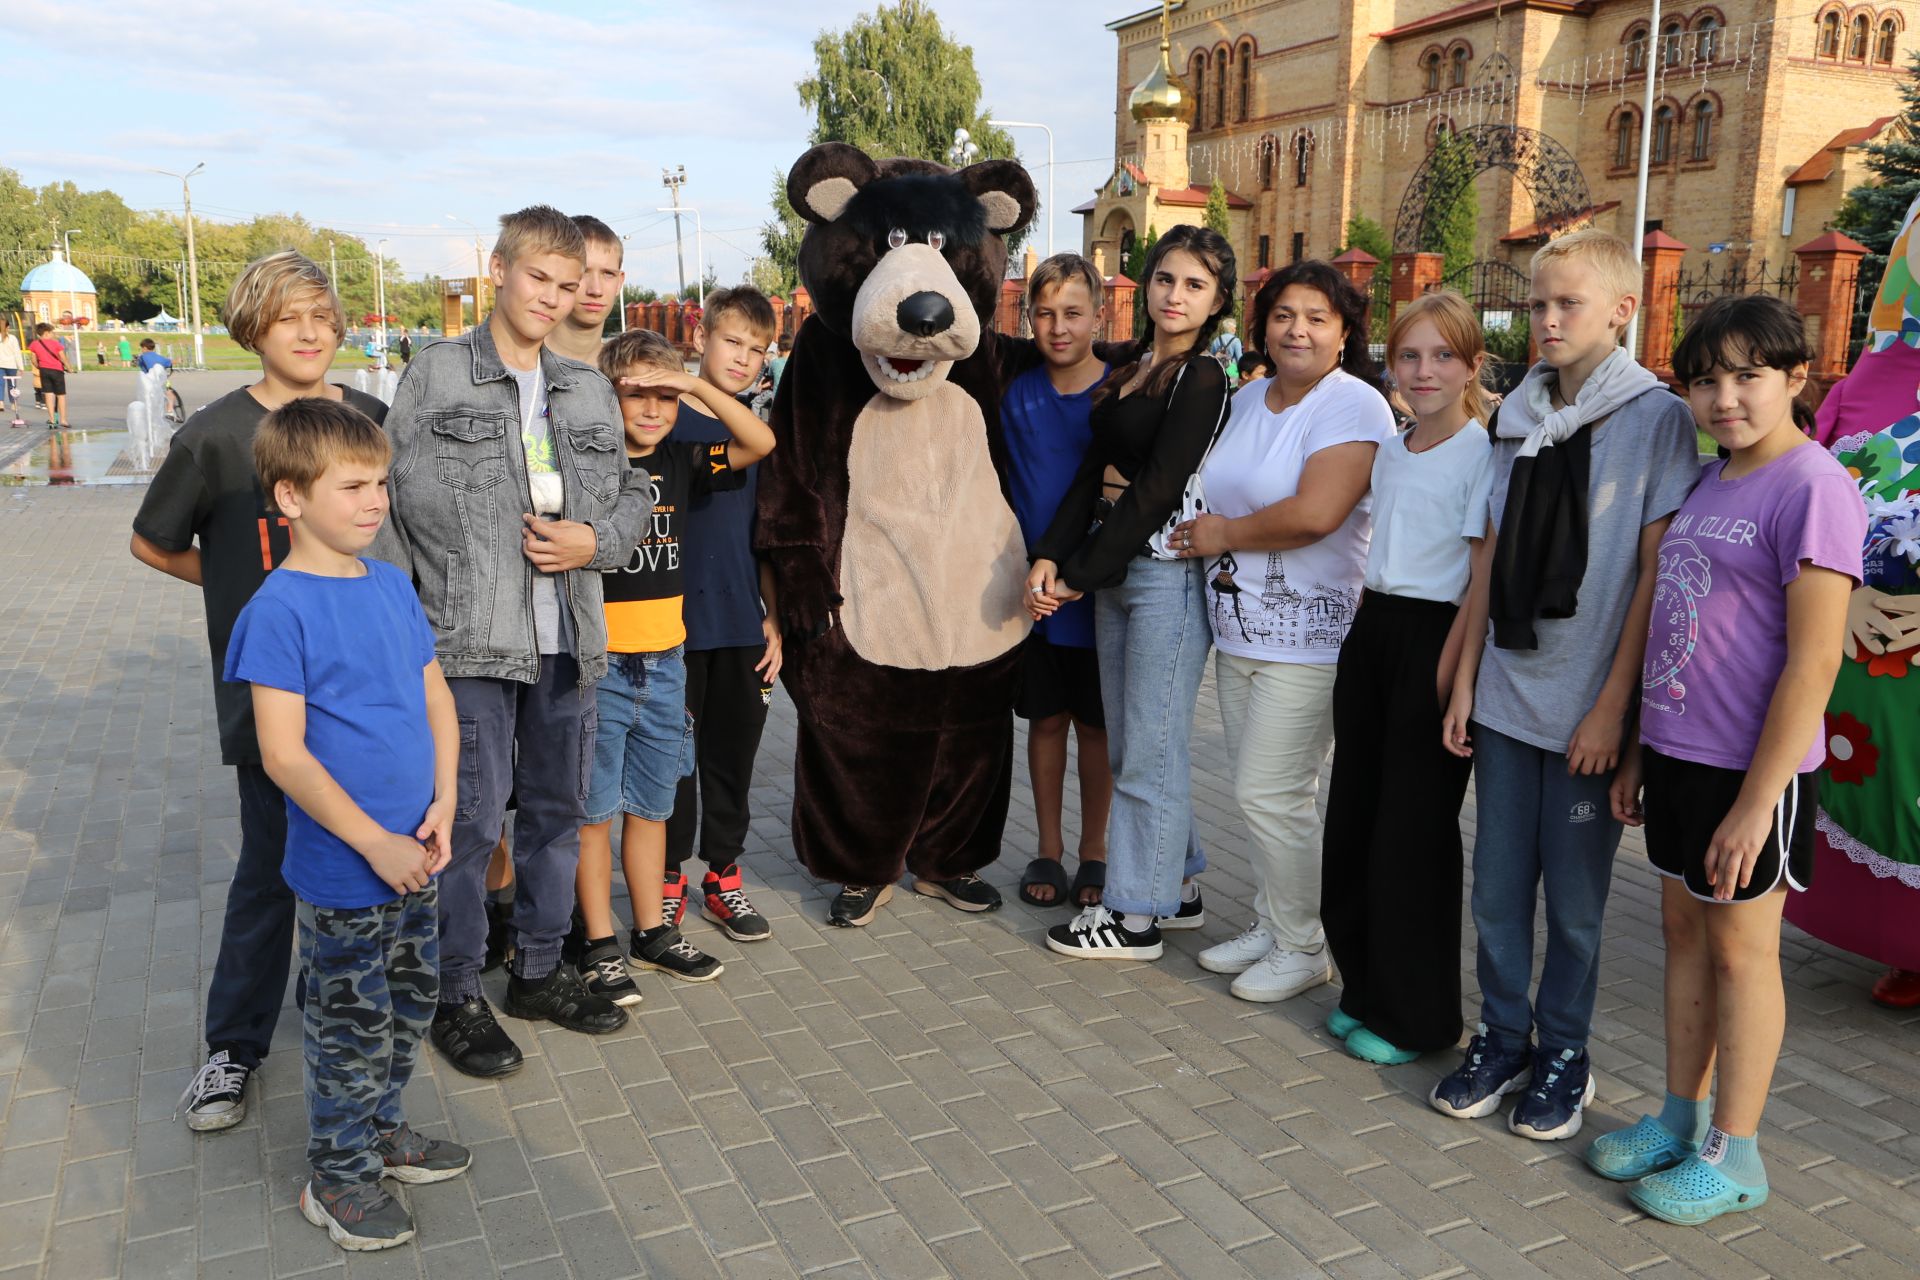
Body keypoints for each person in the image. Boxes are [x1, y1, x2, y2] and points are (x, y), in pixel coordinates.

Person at [1593, 294, 1861, 1224]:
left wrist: (1759, 802)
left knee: (1744, 955)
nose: (1725, 398)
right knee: (1683, 939)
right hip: (1675, 754)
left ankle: (1736, 1155)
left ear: (1796, 377)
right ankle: (1679, 1119)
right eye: (1706, 379)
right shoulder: (1712, 483)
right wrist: (1637, 750)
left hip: (1753, 772)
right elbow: (1676, 619)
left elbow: (1816, 659)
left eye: (1749, 375)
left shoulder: (1814, 486)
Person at [1433, 229, 1700, 1141]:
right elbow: (1492, 559)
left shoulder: (1657, 420)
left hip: (1587, 709)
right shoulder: (1517, 414)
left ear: (1623, 310)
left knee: (1577, 907)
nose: (1546, 320)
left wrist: (1611, 710)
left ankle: (1565, 1052)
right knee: (1498, 889)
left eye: (1567, 304)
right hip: (1509, 697)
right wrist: (1466, 680)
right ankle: (1503, 1037)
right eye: (1538, 304)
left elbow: (1654, 577)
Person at [373, 206, 652, 1078]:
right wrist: (401, 634)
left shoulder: (587, 385)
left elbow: (631, 490)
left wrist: (593, 545)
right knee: (463, 826)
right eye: (539, 277)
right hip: (466, 644)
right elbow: (387, 509)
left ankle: (537, 970)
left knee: (557, 816)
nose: (553, 297)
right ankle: (452, 992)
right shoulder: (438, 375)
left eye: (570, 286)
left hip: (569, 640)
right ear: (500, 269)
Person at [131, 250, 387, 1132]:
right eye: (289, 319)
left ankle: (346, 1003)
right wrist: (241, 589)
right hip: (271, 702)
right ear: (254, 330)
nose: (311, 333)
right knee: (272, 872)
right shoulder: (213, 434)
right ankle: (234, 1047)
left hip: (365, 698)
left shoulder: (369, 417)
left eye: (321, 314)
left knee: (361, 857)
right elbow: (152, 542)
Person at [224, 398, 473, 1251]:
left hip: (419, 853)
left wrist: (443, 803)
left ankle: (380, 1132)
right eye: (354, 485)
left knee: (408, 1008)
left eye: (382, 484)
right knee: (346, 1026)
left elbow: (434, 694)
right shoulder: (278, 610)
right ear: (290, 497)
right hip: (348, 871)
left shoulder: (391, 584)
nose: (376, 502)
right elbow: (284, 755)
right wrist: (373, 841)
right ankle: (335, 1175)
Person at [1168, 260, 1392, 1002]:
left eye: (1317, 318)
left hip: (1313, 637)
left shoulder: (1353, 405)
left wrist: (1223, 532)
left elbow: (1316, 513)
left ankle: (1304, 945)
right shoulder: (1247, 398)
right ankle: (1273, 922)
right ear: (1262, 324)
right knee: (1259, 791)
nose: (1298, 329)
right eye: (1285, 314)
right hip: (1237, 630)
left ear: (1344, 332)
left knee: (1273, 793)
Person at [1029, 224, 1235, 961]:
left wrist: (1079, 575)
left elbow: (1156, 490)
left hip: (1164, 579)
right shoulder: (1132, 368)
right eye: (1166, 279)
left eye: (1195, 285)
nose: (1175, 295)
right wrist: (1054, 555)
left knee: (1145, 750)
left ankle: (1135, 917)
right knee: (1139, 746)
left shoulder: (1202, 378)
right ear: (1146, 286)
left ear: (1216, 303)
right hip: (1117, 575)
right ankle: (1176, 885)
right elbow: (1094, 472)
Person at [570, 329, 776, 1004]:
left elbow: (759, 442)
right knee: (595, 813)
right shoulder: (589, 468)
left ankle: (651, 932)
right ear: (610, 396)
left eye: (668, 395)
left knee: (651, 807)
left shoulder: (683, 458)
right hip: (601, 666)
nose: (655, 408)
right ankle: (599, 942)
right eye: (641, 394)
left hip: (665, 665)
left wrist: (693, 385)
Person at [1318, 290, 1493, 1060]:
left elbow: (1480, 580)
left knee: (1411, 838)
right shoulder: (1392, 446)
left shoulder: (1483, 454)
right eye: (1411, 356)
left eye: (1443, 356)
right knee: (1354, 820)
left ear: (1472, 367)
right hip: (1374, 631)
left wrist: (1458, 687)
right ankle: (1366, 991)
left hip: (1436, 638)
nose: (1424, 372)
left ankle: (1420, 1019)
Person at [1786, 191, 1920, 1009]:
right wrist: (1848, 592)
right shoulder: (1873, 376)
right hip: (1863, 652)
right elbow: (1810, 494)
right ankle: (1907, 949)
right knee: (1882, 793)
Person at [662, 288, 783, 943]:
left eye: (756, 349)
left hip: (741, 624)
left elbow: (765, 538)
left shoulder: (754, 429)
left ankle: (724, 878)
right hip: (673, 631)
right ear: (701, 336)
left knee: (731, 760)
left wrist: (775, 619)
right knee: (673, 765)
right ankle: (666, 880)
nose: (742, 358)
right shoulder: (665, 423)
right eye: (731, 341)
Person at [1004, 254, 1116, 910]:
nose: (1058, 326)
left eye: (1073, 312)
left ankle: (1094, 852)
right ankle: (1046, 847)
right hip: (1032, 594)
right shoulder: (1014, 394)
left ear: (1099, 315)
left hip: (1098, 590)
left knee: (1095, 729)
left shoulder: (1121, 393)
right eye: (1044, 314)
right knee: (1045, 722)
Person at [548, 215, 626, 364]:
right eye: (583, 273)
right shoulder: (518, 368)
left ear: (619, 282)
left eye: (608, 274)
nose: (596, 290)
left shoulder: (630, 375)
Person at [29, 323, 69, 429]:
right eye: (51, 332)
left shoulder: (34, 344)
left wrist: (39, 366)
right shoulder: (56, 344)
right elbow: (63, 357)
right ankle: (63, 420)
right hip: (57, 371)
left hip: (44, 371)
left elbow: (33, 359)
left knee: (48, 395)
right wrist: (69, 367)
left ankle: (52, 420)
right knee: (61, 395)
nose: (53, 334)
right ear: (46, 333)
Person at [1208, 316, 1243, 380]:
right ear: (1231, 329)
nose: (1235, 329)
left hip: (1218, 371)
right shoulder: (1236, 341)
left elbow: (1211, 356)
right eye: (1235, 328)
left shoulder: (1216, 340)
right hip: (1232, 373)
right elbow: (1240, 359)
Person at [0, 319, 21, 422]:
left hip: (0, 364)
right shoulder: (12, 338)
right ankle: (13, 403)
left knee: (0, 383)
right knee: (12, 384)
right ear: (7, 327)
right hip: (11, 365)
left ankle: (1, 402)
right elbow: (17, 353)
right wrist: (20, 366)